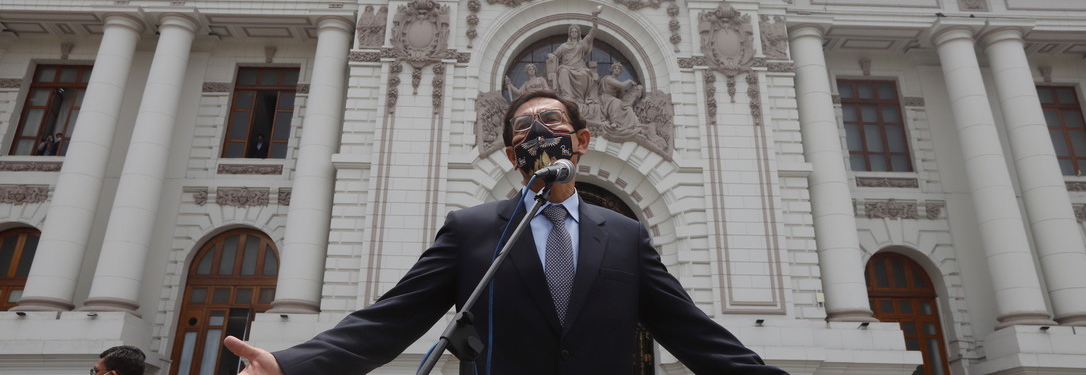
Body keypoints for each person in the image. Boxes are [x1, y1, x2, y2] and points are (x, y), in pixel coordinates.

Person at [224, 88, 789, 375]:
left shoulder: (625, 235)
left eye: (552, 122)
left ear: (582, 141)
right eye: (523, 128)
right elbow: (391, 319)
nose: (538, 133)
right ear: (513, 152)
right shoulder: (472, 231)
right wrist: (289, 364)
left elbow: (691, 331)